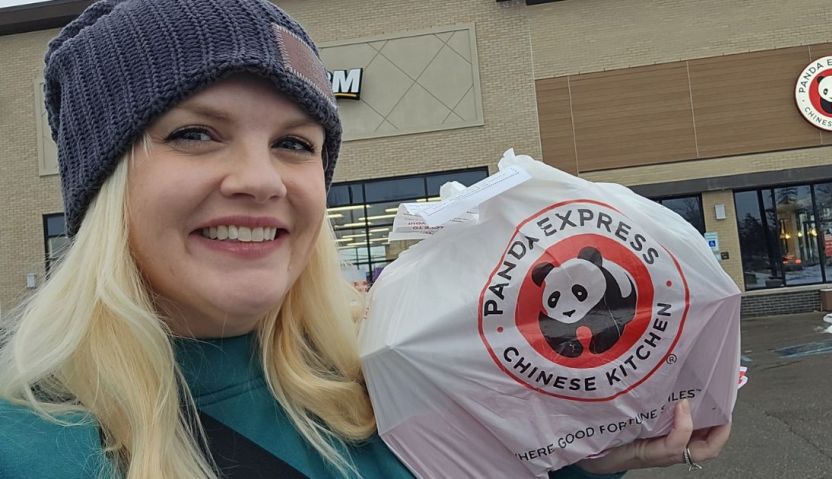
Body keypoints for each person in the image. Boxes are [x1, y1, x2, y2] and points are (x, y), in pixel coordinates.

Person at [0, 1, 731, 478]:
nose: (262, 179)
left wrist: (583, 457)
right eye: (196, 133)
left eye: (294, 143)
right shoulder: (31, 445)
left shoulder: (405, 375)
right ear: (105, 189)